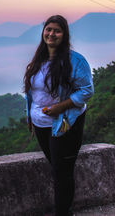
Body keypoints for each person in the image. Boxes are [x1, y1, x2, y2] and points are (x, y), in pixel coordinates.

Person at [24, 15, 94, 216]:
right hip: (41, 123)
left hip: (65, 123)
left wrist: (60, 107)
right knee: (56, 168)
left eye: (57, 30)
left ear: (64, 35)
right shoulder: (39, 60)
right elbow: (33, 93)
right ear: (43, 32)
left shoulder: (75, 61)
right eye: (48, 29)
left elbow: (86, 91)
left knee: (62, 172)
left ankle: (64, 212)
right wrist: (30, 116)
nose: (51, 34)